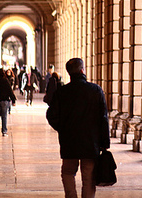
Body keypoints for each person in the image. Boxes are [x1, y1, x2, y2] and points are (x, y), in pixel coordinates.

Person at [47, 58, 110, 198]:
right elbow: (103, 119)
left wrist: (63, 128)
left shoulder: (62, 92)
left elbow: (51, 115)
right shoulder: (96, 90)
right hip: (90, 142)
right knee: (89, 178)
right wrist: (105, 143)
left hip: (69, 141)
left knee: (68, 173)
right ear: (82, 70)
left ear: (69, 73)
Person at [0, 68, 16, 136]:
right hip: (5, 100)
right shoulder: (5, 80)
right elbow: (9, 90)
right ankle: (4, 131)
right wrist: (13, 100)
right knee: (4, 116)